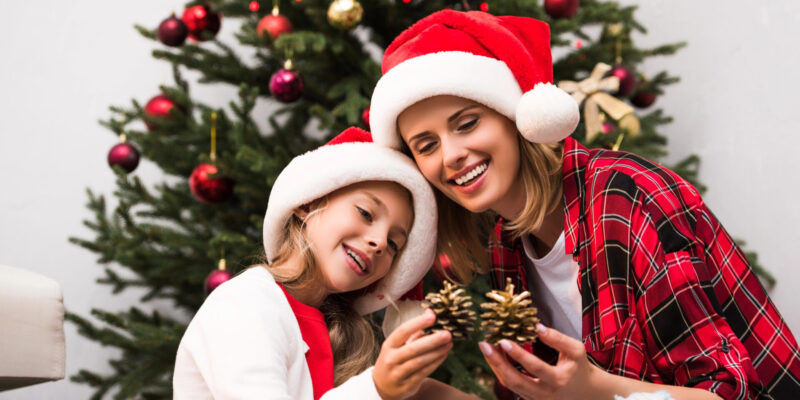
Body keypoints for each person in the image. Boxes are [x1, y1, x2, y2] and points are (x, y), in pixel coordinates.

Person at [368, 10, 800, 400]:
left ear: (518, 116)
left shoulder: (624, 197)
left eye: (467, 123)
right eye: (426, 146)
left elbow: (728, 395)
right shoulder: (508, 242)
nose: (451, 156)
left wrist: (591, 388)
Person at [173, 127, 475, 399]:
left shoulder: (332, 336)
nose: (380, 242)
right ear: (308, 203)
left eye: (395, 244)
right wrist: (376, 389)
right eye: (366, 213)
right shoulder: (245, 305)